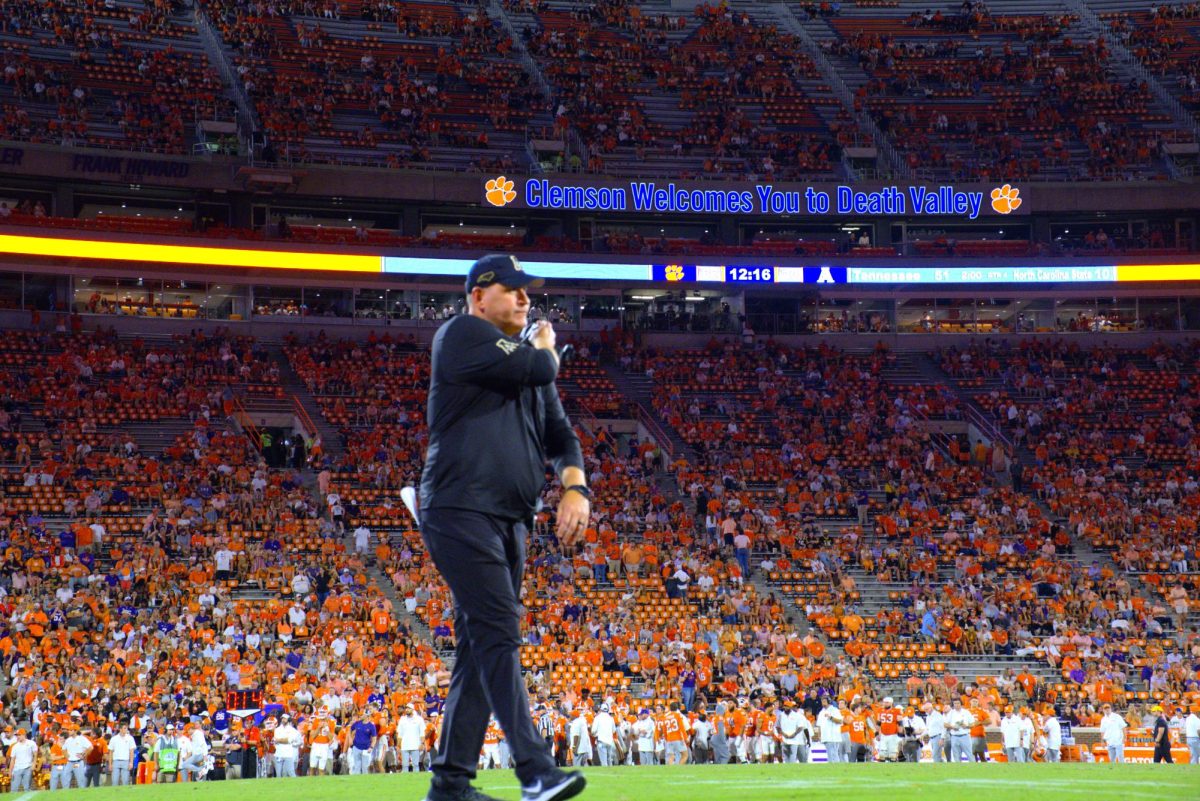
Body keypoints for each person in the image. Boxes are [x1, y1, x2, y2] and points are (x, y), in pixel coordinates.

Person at [419, 254, 588, 801]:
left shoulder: (529, 366)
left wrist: (574, 487)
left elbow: (563, 437)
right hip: (460, 506)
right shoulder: (462, 333)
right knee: (497, 629)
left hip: (511, 520)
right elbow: (540, 367)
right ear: (477, 295)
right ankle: (536, 770)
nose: (523, 298)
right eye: (510, 288)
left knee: (476, 645)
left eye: (526, 291)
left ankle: (450, 784)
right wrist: (544, 349)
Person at [7, 728, 37, 792]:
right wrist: (10, 771)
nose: (18, 736)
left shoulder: (31, 743)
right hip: (17, 768)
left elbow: (35, 754)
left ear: (24, 735)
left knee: (27, 788)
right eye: (17, 735)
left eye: (19, 735)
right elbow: (12, 760)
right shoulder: (14, 746)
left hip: (28, 767)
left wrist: (34, 764)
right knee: (14, 789)